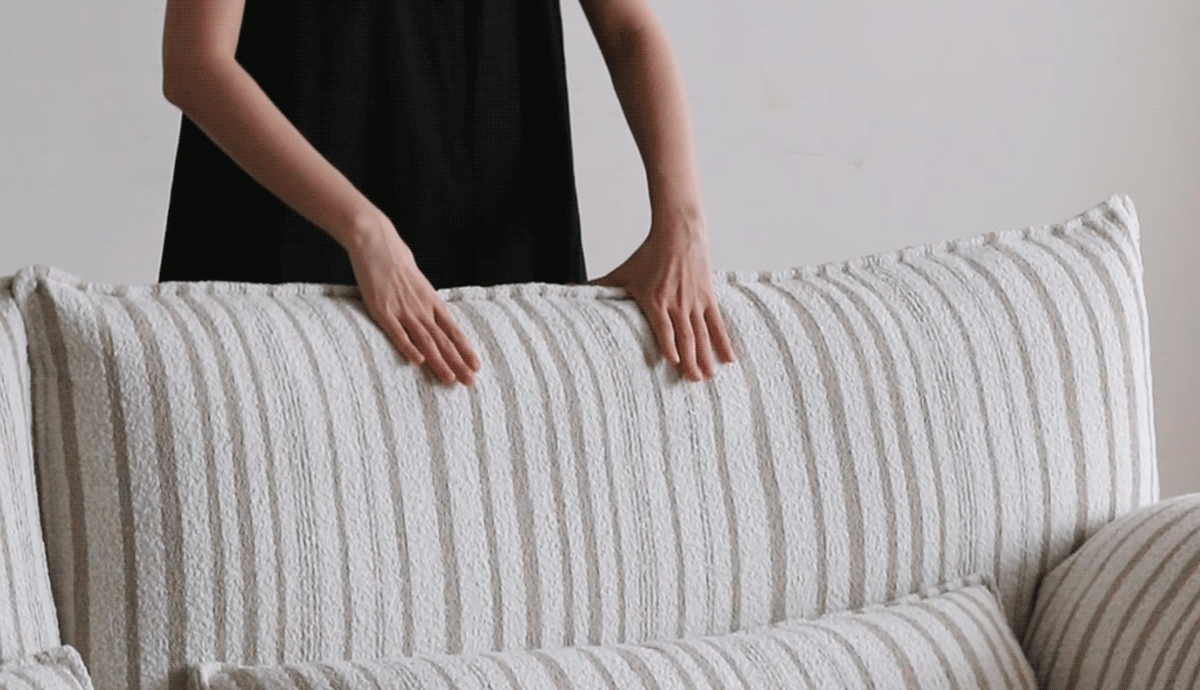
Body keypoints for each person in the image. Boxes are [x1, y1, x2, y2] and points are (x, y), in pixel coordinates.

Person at [159, 0, 733, 386]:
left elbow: (629, 28)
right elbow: (195, 62)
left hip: (490, 275)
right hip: (284, 253)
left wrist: (681, 224)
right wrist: (363, 229)